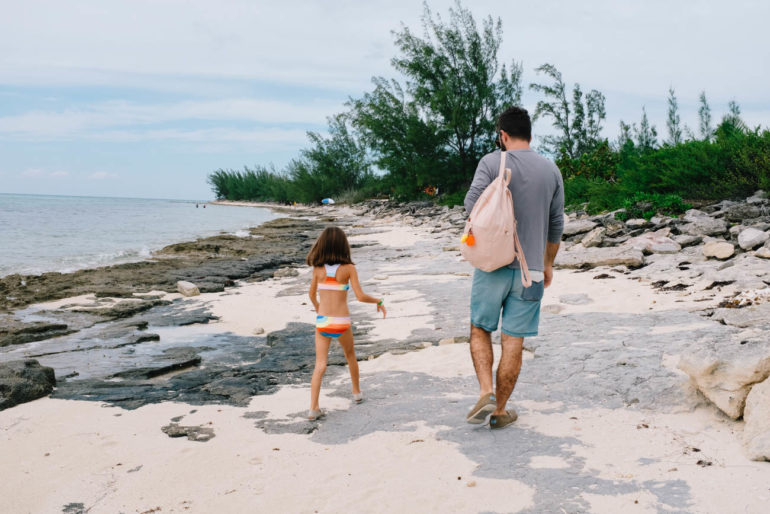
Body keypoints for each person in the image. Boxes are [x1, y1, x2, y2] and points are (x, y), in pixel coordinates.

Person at [463, 106, 564, 429]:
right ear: (530, 135)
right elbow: (556, 224)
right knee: (513, 341)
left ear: (503, 135)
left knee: (480, 328)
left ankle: (485, 392)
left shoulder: (493, 162)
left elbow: (471, 206)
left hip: (494, 264)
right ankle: (500, 411)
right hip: (532, 271)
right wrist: (548, 264)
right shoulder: (551, 170)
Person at [306, 226, 387, 420]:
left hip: (323, 322)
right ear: (344, 246)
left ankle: (313, 408)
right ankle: (357, 392)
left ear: (322, 245)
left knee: (320, 365)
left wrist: (319, 308)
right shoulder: (349, 268)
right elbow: (360, 296)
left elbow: (310, 294)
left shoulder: (318, 269)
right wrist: (379, 301)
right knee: (350, 355)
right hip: (341, 322)